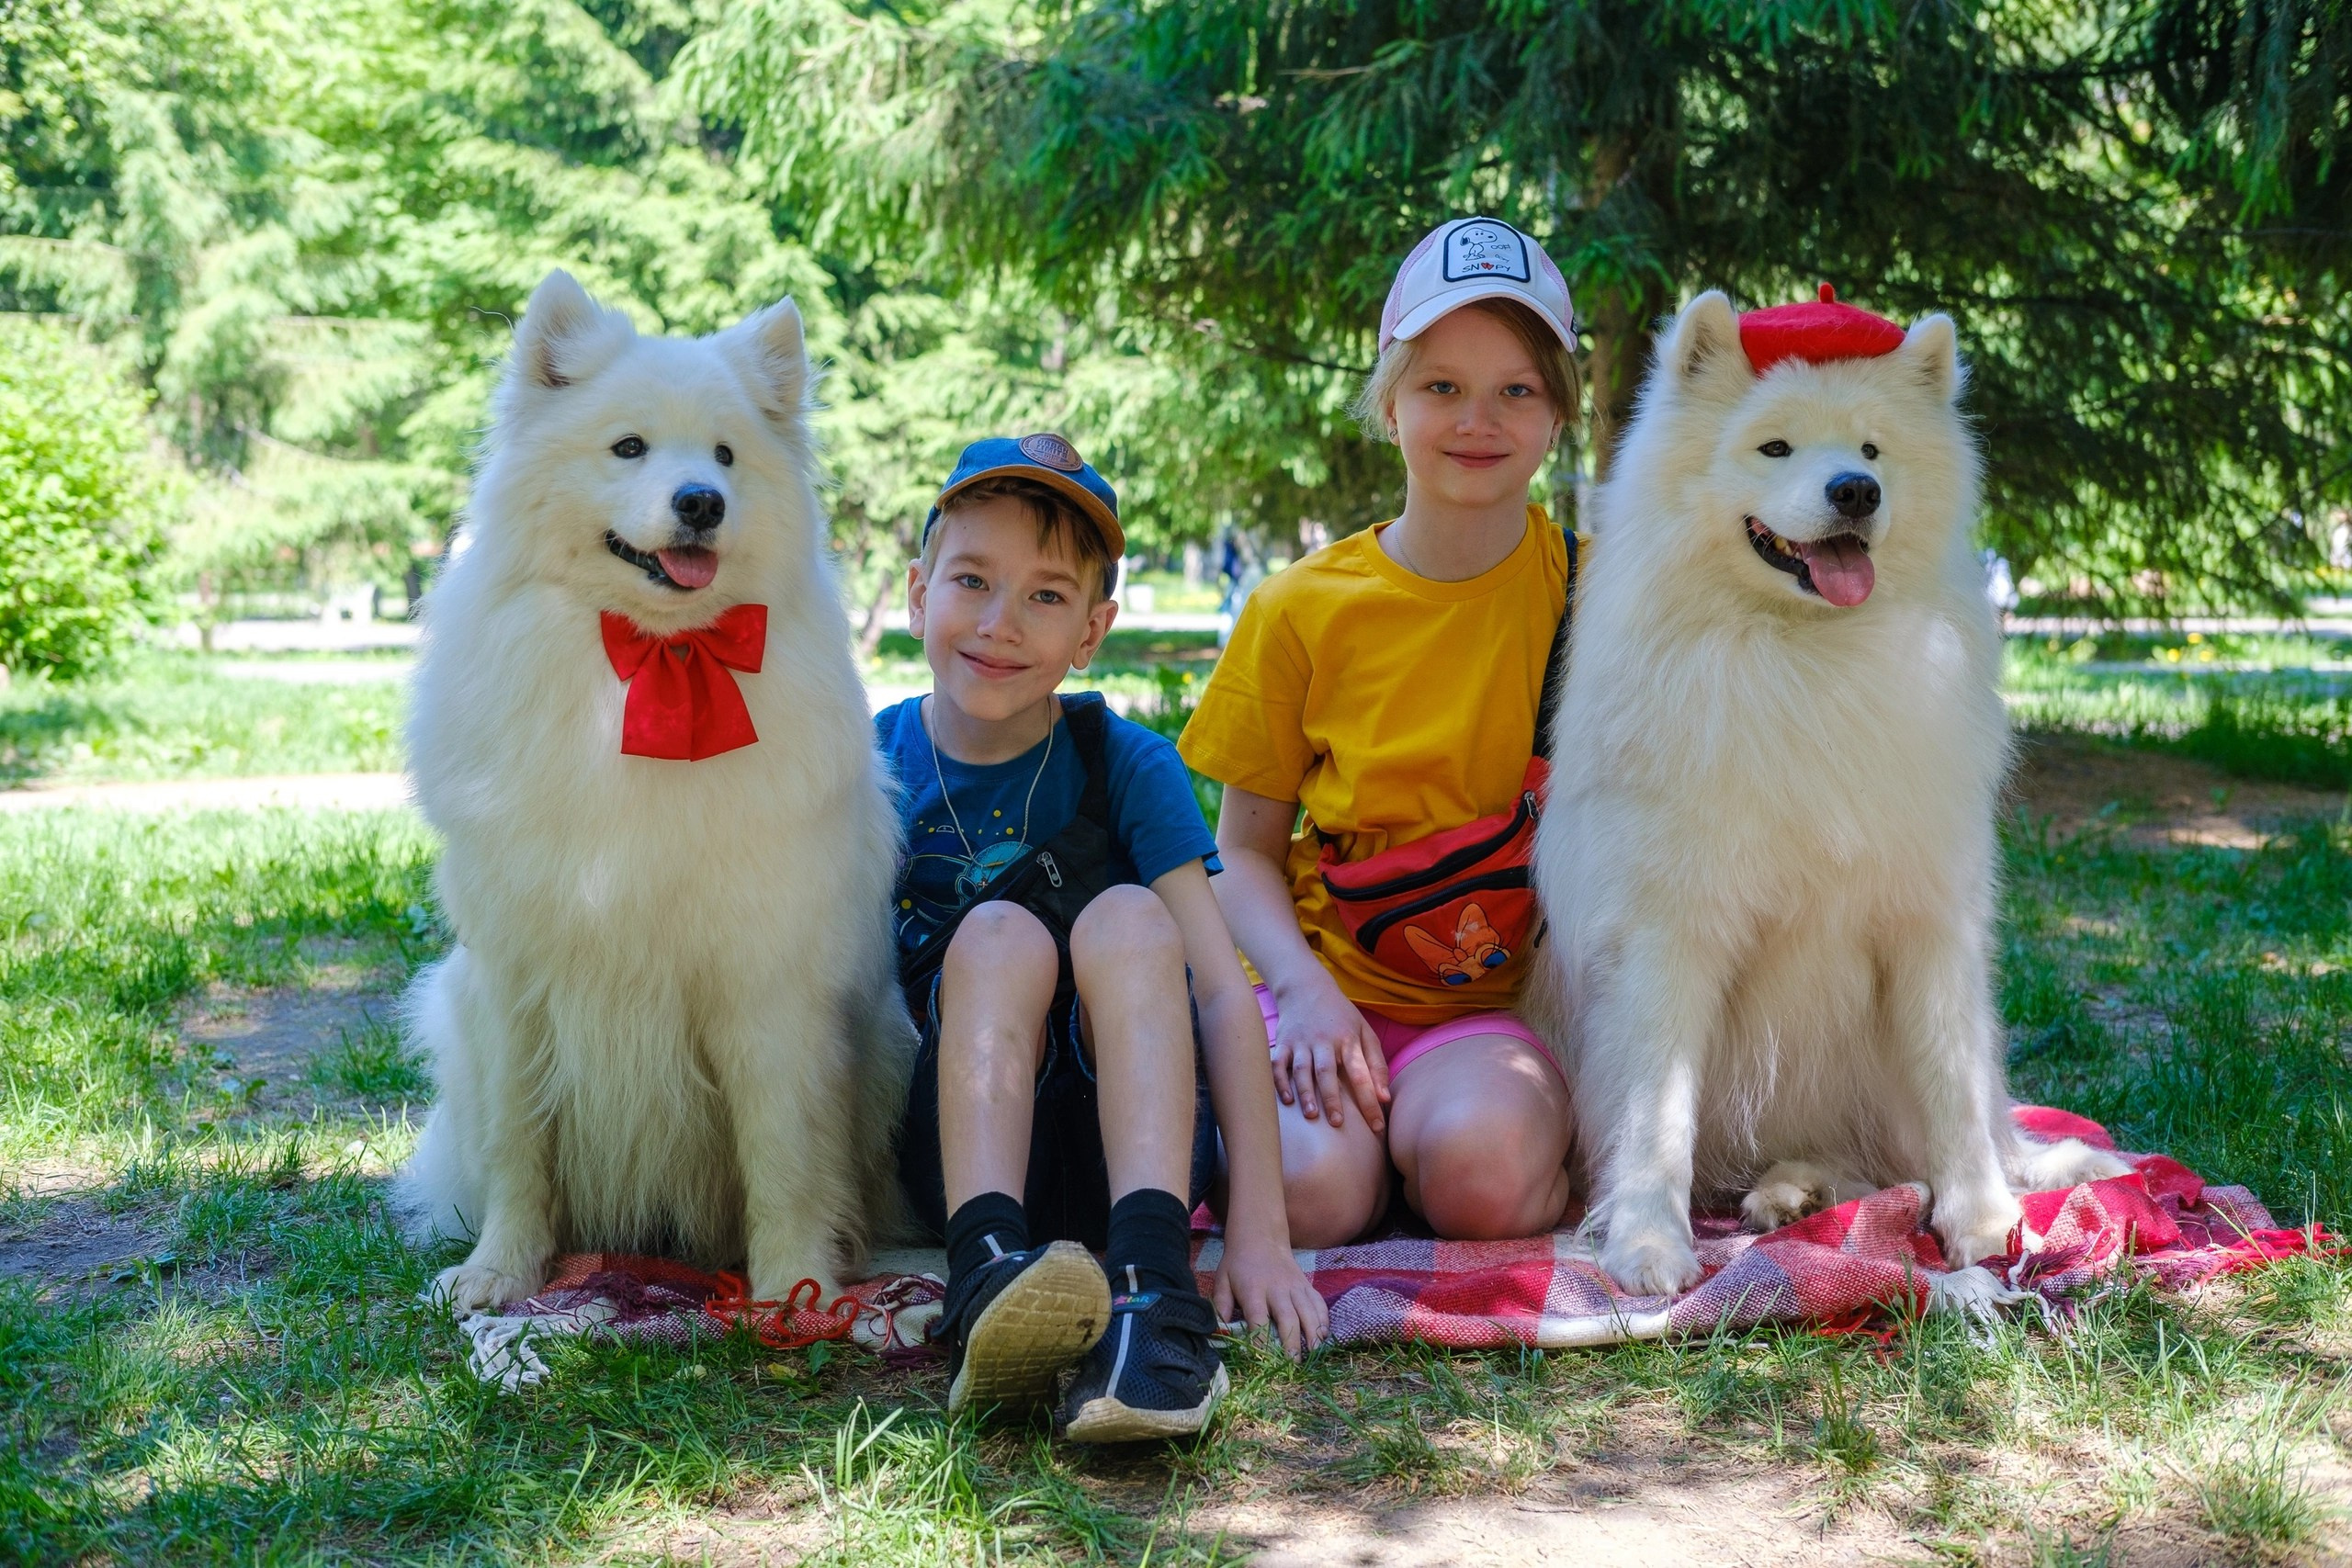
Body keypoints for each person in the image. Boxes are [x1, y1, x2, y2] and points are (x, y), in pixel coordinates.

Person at [882, 434, 1326, 1444]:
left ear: (1092, 630)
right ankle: (985, 1274)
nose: (999, 624)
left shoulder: (1127, 762)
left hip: (1134, 1147)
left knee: (1131, 914)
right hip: (960, 1145)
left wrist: (1258, 1232)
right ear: (917, 594)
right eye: (971, 581)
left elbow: (1221, 990)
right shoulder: (867, 760)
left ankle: (1153, 1298)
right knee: (993, 931)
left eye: (1045, 596)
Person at [1179, 217, 1584, 1247]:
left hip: (1493, 1015)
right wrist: (1307, 1000)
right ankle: (1365, 1150)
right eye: (1440, 385)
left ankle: (1446, 1144)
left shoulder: (1598, 594)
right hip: (1327, 988)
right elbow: (1238, 853)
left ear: (1557, 416)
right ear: (1389, 402)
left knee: (1482, 1187)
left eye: (1516, 390)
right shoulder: (1299, 608)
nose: (1476, 419)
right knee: (1308, 1202)